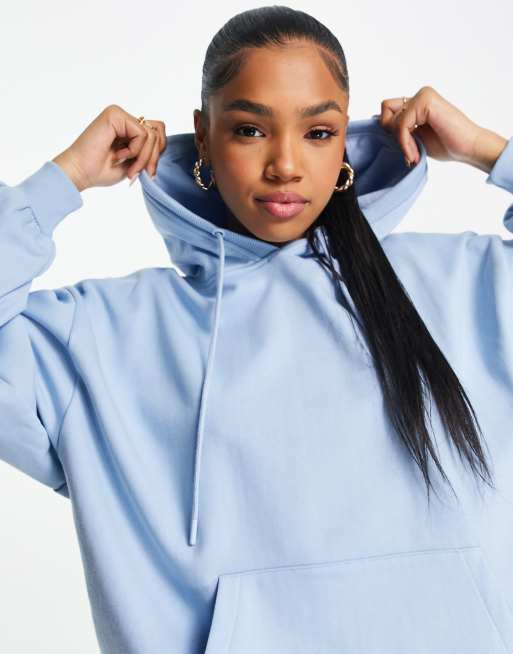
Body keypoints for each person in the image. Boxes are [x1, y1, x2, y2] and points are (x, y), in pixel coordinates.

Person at [2, 5, 513, 653]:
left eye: (318, 132)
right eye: (249, 129)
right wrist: (63, 180)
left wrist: (485, 149)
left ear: (346, 141)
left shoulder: (470, 286)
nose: (285, 165)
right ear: (204, 138)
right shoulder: (102, 337)